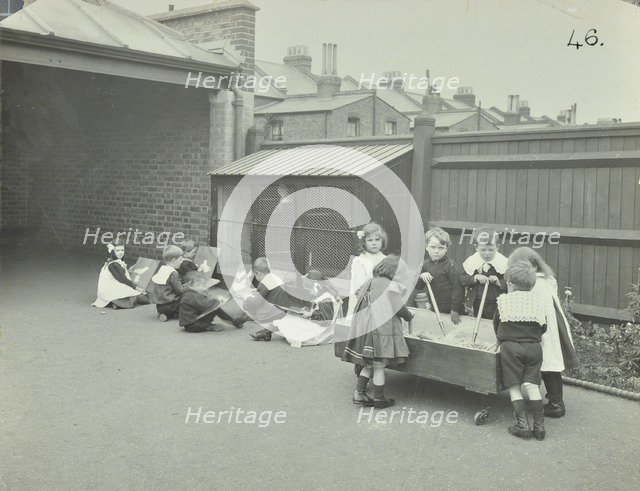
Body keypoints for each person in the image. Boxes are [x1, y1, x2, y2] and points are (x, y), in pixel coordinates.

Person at [507, 247, 578, 418]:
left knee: (548, 365)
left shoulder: (533, 285)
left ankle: (555, 404)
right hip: (552, 326)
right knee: (550, 365)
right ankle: (555, 400)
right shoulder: (546, 279)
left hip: (544, 329)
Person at [342, 255, 413, 409]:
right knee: (379, 366)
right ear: (396, 273)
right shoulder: (391, 286)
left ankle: (359, 393)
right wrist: (409, 316)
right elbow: (398, 307)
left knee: (370, 364)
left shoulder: (370, 281)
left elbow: (358, 294)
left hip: (364, 329)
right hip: (379, 331)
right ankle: (379, 399)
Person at [493, 261, 548, 440]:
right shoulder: (538, 302)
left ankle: (522, 426)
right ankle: (539, 427)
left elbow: (496, 324)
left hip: (511, 348)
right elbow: (544, 326)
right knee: (532, 384)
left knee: (514, 385)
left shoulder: (504, 301)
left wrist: (501, 338)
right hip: (533, 348)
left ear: (510, 285)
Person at [413, 227, 463, 324]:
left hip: (452, 310)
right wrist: (421, 276)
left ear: (446, 249)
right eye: (433, 247)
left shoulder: (450, 266)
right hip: (435, 308)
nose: (436, 251)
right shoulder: (425, 264)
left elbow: (458, 289)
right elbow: (418, 287)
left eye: (441, 248)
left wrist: (455, 310)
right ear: (426, 246)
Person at [461, 228, 508, 319]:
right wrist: (475, 277)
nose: (487, 253)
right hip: (476, 301)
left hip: (496, 302)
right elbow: (462, 279)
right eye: (483, 250)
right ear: (476, 247)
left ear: (497, 247)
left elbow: (511, 283)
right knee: (476, 323)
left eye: (491, 250)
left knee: (493, 324)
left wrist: (499, 282)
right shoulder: (472, 261)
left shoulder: (502, 263)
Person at [346, 222, 387, 317]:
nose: (374, 243)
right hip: (364, 302)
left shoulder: (385, 259)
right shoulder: (361, 261)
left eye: (377, 239)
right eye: (370, 240)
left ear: (382, 240)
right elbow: (358, 288)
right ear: (364, 242)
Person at [245, 258, 292, 341]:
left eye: (255, 276)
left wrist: (247, 299)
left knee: (248, 303)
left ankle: (243, 320)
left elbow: (257, 302)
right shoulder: (275, 277)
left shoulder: (264, 283)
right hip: (284, 309)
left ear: (258, 273)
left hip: (274, 311)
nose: (255, 278)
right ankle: (265, 333)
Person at [92, 240, 148, 309]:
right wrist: (136, 288)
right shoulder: (113, 264)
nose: (120, 252)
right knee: (140, 296)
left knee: (134, 293)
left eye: (122, 250)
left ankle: (115, 301)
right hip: (109, 288)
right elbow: (123, 279)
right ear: (113, 252)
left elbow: (119, 274)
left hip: (109, 287)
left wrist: (128, 270)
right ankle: (117, 302)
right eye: (117, 251)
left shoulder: (112, 261)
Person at [151, 245, 185, 321]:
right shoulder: (173, 273)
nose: (182, 261)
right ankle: (182, 314)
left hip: (159, 306)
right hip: (171, 305)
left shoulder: (162, 269)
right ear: (174, 260)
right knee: (187, 299)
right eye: (181, 259)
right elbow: (180, 290)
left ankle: (163, 314)